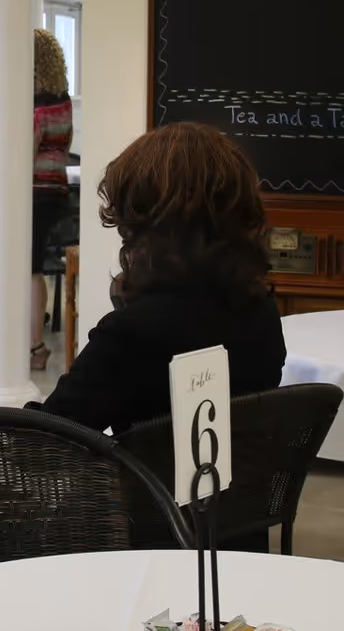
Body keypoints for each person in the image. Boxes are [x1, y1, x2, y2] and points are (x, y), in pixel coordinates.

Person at [39, 121, 286, 434]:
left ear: (142, 221)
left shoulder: (132, 334)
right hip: (244, 482)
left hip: (144, 484)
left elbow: (50, 433)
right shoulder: (262, 311)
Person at [30, 29, 74, 371]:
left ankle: (34, 347)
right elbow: (64, 146)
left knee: (28, 271)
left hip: (32, 193)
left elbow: (24, 155)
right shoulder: (63, 101)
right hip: (57, 192)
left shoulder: (36, 107)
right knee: (33, 269)